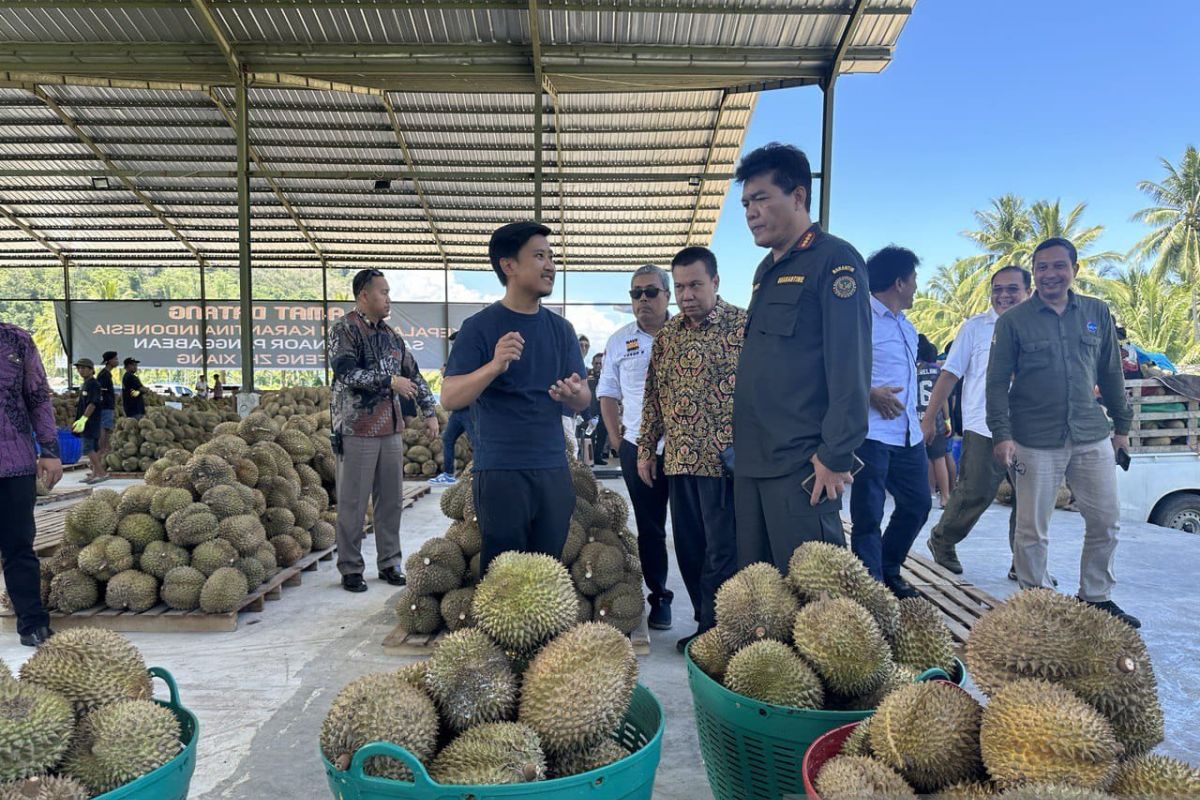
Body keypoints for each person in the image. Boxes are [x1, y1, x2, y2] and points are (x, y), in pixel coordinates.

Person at [732, 142, 871, 572]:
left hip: (802, 468)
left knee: (814, 595)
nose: (751, 212)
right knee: (759, 593)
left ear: (797, 196)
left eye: (760, 199)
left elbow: (851, 367)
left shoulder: (835, 261)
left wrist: (834, 456)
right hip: (753, 461)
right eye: (745, 203)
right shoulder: (765, 271)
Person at [986, 237, 1139, 628]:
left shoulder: (1095, 312)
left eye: (1058, 266)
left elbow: (1111, 373)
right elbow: (996, 382)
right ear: (1033, 272)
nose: (1049, 274)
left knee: (1106, 520)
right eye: (1041, 267)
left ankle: (1096, 596)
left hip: (1090, 433)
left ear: (1074, 269)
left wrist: (1121, 427)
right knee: (1032, 529)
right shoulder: (1013, 322)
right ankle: (1036, 603)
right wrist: (1002, 435)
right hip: (1034, 439)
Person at [442, 222, 590, 575]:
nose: (550, 265)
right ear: (508, 266)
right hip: (500, 472)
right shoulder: (479, 327)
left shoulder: (562, 330)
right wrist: (493, 366)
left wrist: (574, 395)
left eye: (551, 257)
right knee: (503, 578)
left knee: (548, 573)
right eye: (539, 256)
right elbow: (450, 396)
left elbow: (584, 398)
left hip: (553, 467)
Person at [638, 246, 744, 651]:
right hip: (680, 461)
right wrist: (647, 448)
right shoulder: (668, 337)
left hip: (726, 463)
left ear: (715, 282)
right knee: (689, 549)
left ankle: (719, 631)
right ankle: (705, 621)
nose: (686, 295)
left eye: (695, 285)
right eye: (680, 287)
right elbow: (653, 396)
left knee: (723, 551)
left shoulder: (742, 327)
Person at [329, 268, 438, 593]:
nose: (388, 299)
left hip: (390, 428)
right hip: (355, 428)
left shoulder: (392, 337)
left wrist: (429, 411)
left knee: (390, 500)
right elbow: (346, 373)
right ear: (363, 295)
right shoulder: (344, 330)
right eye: (383, 292)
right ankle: (350, 568)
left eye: (389, 292)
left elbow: (414, 375)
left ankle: (389, 562)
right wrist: (388, 380)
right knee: (353, 502)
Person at [922, 266, 1030, 574]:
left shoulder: (1041, 326)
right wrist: (930, 417)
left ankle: (1023, 562)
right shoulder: (975, 328)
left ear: (1028, 292)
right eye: (998, 289)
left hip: (1031, 429)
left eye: (1012, 289)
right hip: (984, 427)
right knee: (976, 492)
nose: (1004, 295)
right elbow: (950, 373)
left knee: (1030, 500)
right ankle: (942, 539)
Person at [849, 246, 931, 598]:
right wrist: (870, 393)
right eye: (913, 280)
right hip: (872, 435)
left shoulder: (908, 328)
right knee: (868, 515)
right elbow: (833, 368)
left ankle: (888, 567)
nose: (915, 287)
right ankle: (872, 589)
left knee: (918, 504)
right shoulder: (858, 318)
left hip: (908, 435)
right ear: (899, 282)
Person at [597, 264, 674, 630]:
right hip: (636, 448)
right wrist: (616, 439)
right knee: (650, 527)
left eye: (651, 292)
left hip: (688, 449)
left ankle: (709, 604)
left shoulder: (686, 333)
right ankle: (659, 597)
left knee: (698, 529)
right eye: (635, 293)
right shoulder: (619, 341)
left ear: (667, 295)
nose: (642, 299)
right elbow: (607, 393)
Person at [1, 323, 63, 646]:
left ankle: (32, 623)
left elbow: (38, 396)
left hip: (12, 463)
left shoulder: (17, 341)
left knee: (19, 546)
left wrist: (50, 450)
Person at [429, 331, 476, 486]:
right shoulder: (456, 358)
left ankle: (480, 472)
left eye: (454, 343)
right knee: (448, 438)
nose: (453, 346)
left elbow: (462, 381)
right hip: (458, 410)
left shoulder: (470, 357)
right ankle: (449, 474)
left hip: (469, 408)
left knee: (477, 442)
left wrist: (446, 374)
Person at [916, 335, 953, 508]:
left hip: (918, 417)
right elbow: (943, 398)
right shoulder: (938, 372)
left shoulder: (914, 370)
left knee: (926, 457)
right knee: (939, 458)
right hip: (936, 418)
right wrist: (947, 419)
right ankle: (945, 496)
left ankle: (929, 491)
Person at [72, 358, 108, 484]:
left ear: (91, 370)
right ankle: (94, 474)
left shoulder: (93, 384)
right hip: (88, 421)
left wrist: (83, 419)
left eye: (84, 368)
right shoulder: (86, 384)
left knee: (88, 449)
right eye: (79, 368)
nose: (81, 370)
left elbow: (92, 404)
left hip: (90, 422)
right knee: (93, 448)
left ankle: (101, 473)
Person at [586, 353, 608, 465]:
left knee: (602, 435)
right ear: (592, 363)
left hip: (604, 411)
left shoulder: (607, 376)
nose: (598, 365)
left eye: (601, 363)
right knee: (590, 435)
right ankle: (589, 458)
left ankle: (598, 456)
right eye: (596, 363)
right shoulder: (587, 375)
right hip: (592, 411)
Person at [97, 350, 117, 459]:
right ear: (109, 361)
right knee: (104, 428)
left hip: (107, 406)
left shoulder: (107, 374)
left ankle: (105, 450)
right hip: (105, 407)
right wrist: (104, 403)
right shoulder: (104, 375)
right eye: (115, 359)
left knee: (107, 428)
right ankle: (102, 451)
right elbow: (101, 392)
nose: (117, 361)